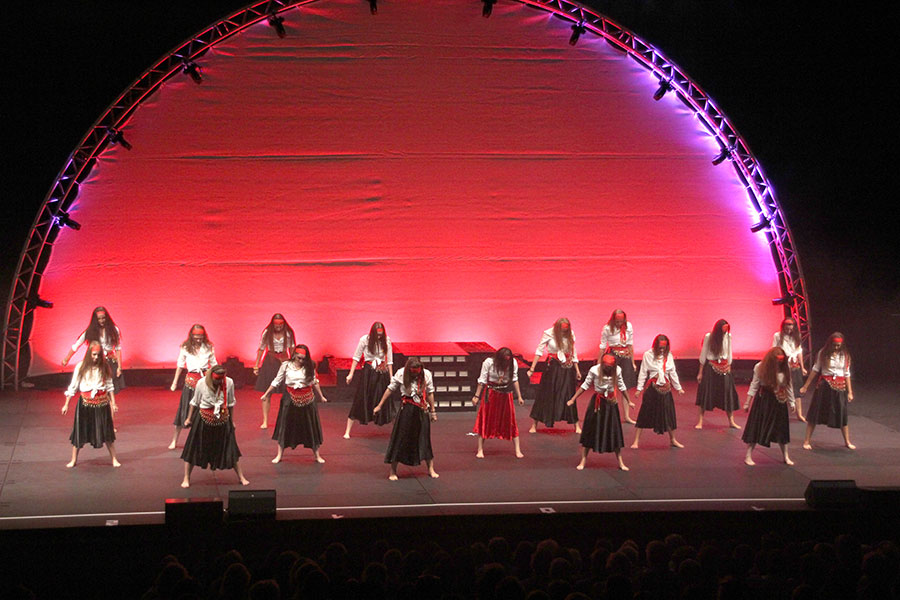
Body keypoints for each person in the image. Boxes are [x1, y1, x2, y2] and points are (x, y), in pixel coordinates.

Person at [180, 364, 249, 488]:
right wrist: (189, 418)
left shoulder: (229, 382)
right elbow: (195, 402)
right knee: (193, 447)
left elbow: (231, 403)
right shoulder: (202, 383)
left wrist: (232, 420)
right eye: (217, 379)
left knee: (230, 447)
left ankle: (241, 477)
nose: (219, 382)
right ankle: (186, 477)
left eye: (221, 379)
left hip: (222, 418)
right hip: (204, 418)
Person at [261, 344, 328, 464]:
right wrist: (266, 394)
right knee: (285, 425)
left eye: (303, 359)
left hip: (307, 398)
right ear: (294, 356)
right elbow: (277, 380)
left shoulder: (309, 366)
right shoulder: (286, 365)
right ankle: (279, 454)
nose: (301, 361)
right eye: (299, 358)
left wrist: (321, 396)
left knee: (311, 426)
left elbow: (314, 381)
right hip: (290, 397)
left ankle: (317, 455)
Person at [374, 357, 439, 480]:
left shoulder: (427, 374)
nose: (415, 374)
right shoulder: (401, 373)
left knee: (424, 439)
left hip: (421, 408)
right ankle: (393, 471)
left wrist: (433, 411)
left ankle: (431, 468)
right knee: (400, 438)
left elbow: (430, 393)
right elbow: (390, 389)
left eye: (417, 371)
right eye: (413, 372)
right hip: (407, 409)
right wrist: (379, 405)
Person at [61, 306, 125, 429]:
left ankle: (110, 425)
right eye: (99, 319)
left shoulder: (114, 330)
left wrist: (119, 367)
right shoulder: (90, 331)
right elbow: (77, 345)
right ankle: (96, 423)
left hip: (109, 363)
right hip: (95, 364)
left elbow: (118, 348)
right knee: (98, 394)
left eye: (103, 318)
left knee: (109, 393)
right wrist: (66, 358)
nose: (102, 321)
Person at [62, 341, 120, 468]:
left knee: (107, 432)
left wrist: (114, 403)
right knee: (79, 432)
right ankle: (73, 459)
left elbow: (109, 385)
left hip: (102, 403)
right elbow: (73, 386)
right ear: (89, 354)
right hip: (85, 404)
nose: (96, 357)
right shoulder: (81, 366)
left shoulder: (104, 366)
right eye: (94, 354)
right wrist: (66, 404)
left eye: (98, 355)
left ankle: (114, 459)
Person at [567, 354, 630, 470]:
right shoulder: (594, 370)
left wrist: (629, 401)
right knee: (590, 430)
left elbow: (622, 386)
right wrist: (573, 399)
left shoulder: (617, 370)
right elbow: (585, 386)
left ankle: (620, 462)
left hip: (611, 403)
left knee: (614, 430)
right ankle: (583, 460)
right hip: (598, 402)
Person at [800, 332, 855, 450]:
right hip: (825, 386)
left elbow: (847, 374)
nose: (836, 347)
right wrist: (805, 386)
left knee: (842, 413)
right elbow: (815, 369)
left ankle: (847, 441)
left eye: (838, 345)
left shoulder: (845, 355)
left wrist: (850, 392)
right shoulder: (823, 353)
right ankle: (807, 440)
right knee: (815, 412)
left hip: (840, 387)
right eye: (834, 345)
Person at [526, 317, 582, 433]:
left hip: (567, 368)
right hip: (552, 367)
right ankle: (534, 424)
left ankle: (576, 424)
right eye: (562, 329)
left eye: (566, 330)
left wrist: (577, 370)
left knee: (569, 394)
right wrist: (532, 369)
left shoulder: (570, 334)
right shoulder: (548, 333)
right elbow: (539, 350)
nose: (564, 332)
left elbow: (573, 351)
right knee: (546, 393)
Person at [742, 347, 795, 465]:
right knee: (757, 427)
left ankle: (786, 456)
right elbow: (754, 385)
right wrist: (747, 402)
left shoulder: (785, 368)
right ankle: (748, 455)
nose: (779, 363)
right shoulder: (760, 367)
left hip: (779, 401)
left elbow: (788, 385)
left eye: (781, 361)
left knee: (782, 428)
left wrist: (792, 402)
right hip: (764, 401)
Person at [631, 334, 685, 449]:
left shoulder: (669, 355)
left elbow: (673, 372)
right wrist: (639, 388)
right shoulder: (648, 355)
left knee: (669, 414)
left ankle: (673, 439)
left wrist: (678, 387)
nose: (662, 350)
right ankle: (636, 441)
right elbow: (643, 372)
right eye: (660, 347)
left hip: (665, 388)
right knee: (644, 412)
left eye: (664, 348)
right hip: (652, 387)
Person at [169, 324, 217, 450]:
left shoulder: (208, 347)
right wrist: (174, 382)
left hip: (205, 380)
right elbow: (180, 365)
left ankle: (205, 441)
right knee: (184, 410)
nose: (198, 339)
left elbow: (214, 364)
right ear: (192, 335)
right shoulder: (185, 347)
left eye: (200, 337)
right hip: (191, 381)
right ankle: (174, 440)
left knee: (205, 411)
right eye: (196, 336)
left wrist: (218, 380)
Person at [471, 347, 525, 458]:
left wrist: (519, 396)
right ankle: (480, 449)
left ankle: (517, 450)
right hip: (491, 393)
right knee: (485, 419)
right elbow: (482, 381)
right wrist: (476, 396)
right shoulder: (488, 363)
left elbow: (515, 379)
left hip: (505, 393)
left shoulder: (513, 363)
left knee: (510, 420)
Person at [344, 322, 393, 439]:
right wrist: (351, 374)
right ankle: (347, 431)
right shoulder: (364, 340)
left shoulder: (387, 341)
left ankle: (394, 429)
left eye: (381, 334)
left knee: (384, 399)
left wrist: (391, 377)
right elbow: (356, 357)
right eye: (377, 334)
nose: (379, 336)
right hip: (368, 373)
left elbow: (390, 361)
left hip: (381, 372)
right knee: (361, 398)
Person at [694, 319, 741, 429]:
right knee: (705, 393)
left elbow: (729, 352)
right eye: (723, 329)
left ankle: (731, 421)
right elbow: (704, 353)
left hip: (724, 368)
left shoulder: (728, 337)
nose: (725, 331)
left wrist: (729, 365)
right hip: (711, 367)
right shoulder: (709, 337)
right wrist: (700, 372)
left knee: (728, 394)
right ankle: (700, 421)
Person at [252, 313, 296, 429]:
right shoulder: (267, 332)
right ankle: (265, 421)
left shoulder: (288, 333)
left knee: (288, 391)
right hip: (270, 361)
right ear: (273, 324)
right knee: (267, 392)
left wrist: (294, 364)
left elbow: (292, 349)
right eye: (276, 324)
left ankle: (287, 420)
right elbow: (261, 349)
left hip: (285, 360)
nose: (278, 326)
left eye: (280, 324)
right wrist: (256, 365)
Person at [598, 309, 637, 424]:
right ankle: (609, 415)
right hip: (612, 356)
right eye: (617, 321)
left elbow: (630, 345)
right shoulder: (607, 328)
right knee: (610, 385)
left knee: (625, 386)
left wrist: (633, 362)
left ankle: (627, 416)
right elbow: (602, 346)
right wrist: (599, 363)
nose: (619, 323)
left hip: (625, 356)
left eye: (621, 321)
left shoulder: (629, 326)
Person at [772, 317, 807, 421]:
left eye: (791, 325)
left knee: (797, 389)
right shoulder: (777, 336)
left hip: (794, 365)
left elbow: (799, 351)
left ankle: (799, 414)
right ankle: (777, 413)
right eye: (787, 325)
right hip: (783, 365)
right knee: (781, 389)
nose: (789, 327)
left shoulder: (797, 336)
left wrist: (802, 367)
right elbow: (774, 349)